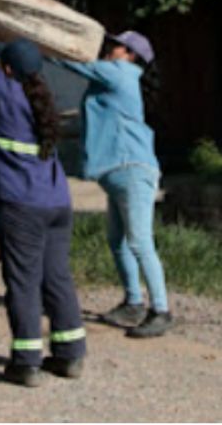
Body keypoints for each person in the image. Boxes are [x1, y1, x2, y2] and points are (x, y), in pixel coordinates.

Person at [0, 0, 87, 387]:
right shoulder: (39, 98)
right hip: (56, 203)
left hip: (21, 206)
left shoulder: (1, 91)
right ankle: (70, 355)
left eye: (2, 63)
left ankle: (27, 362)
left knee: (23, 282)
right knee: (56, 278)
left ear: (8, 69)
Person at [53, 31, 172, 338]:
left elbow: (72, 62)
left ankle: (160, 310)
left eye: (115, 46)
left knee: (139, 241)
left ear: (130, 54)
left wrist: (41, 42)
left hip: (131, 170)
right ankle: (133, 302)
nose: (109, 49)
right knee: (117, 240)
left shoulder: (120, 72)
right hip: (120, 172)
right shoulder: (119, 75)